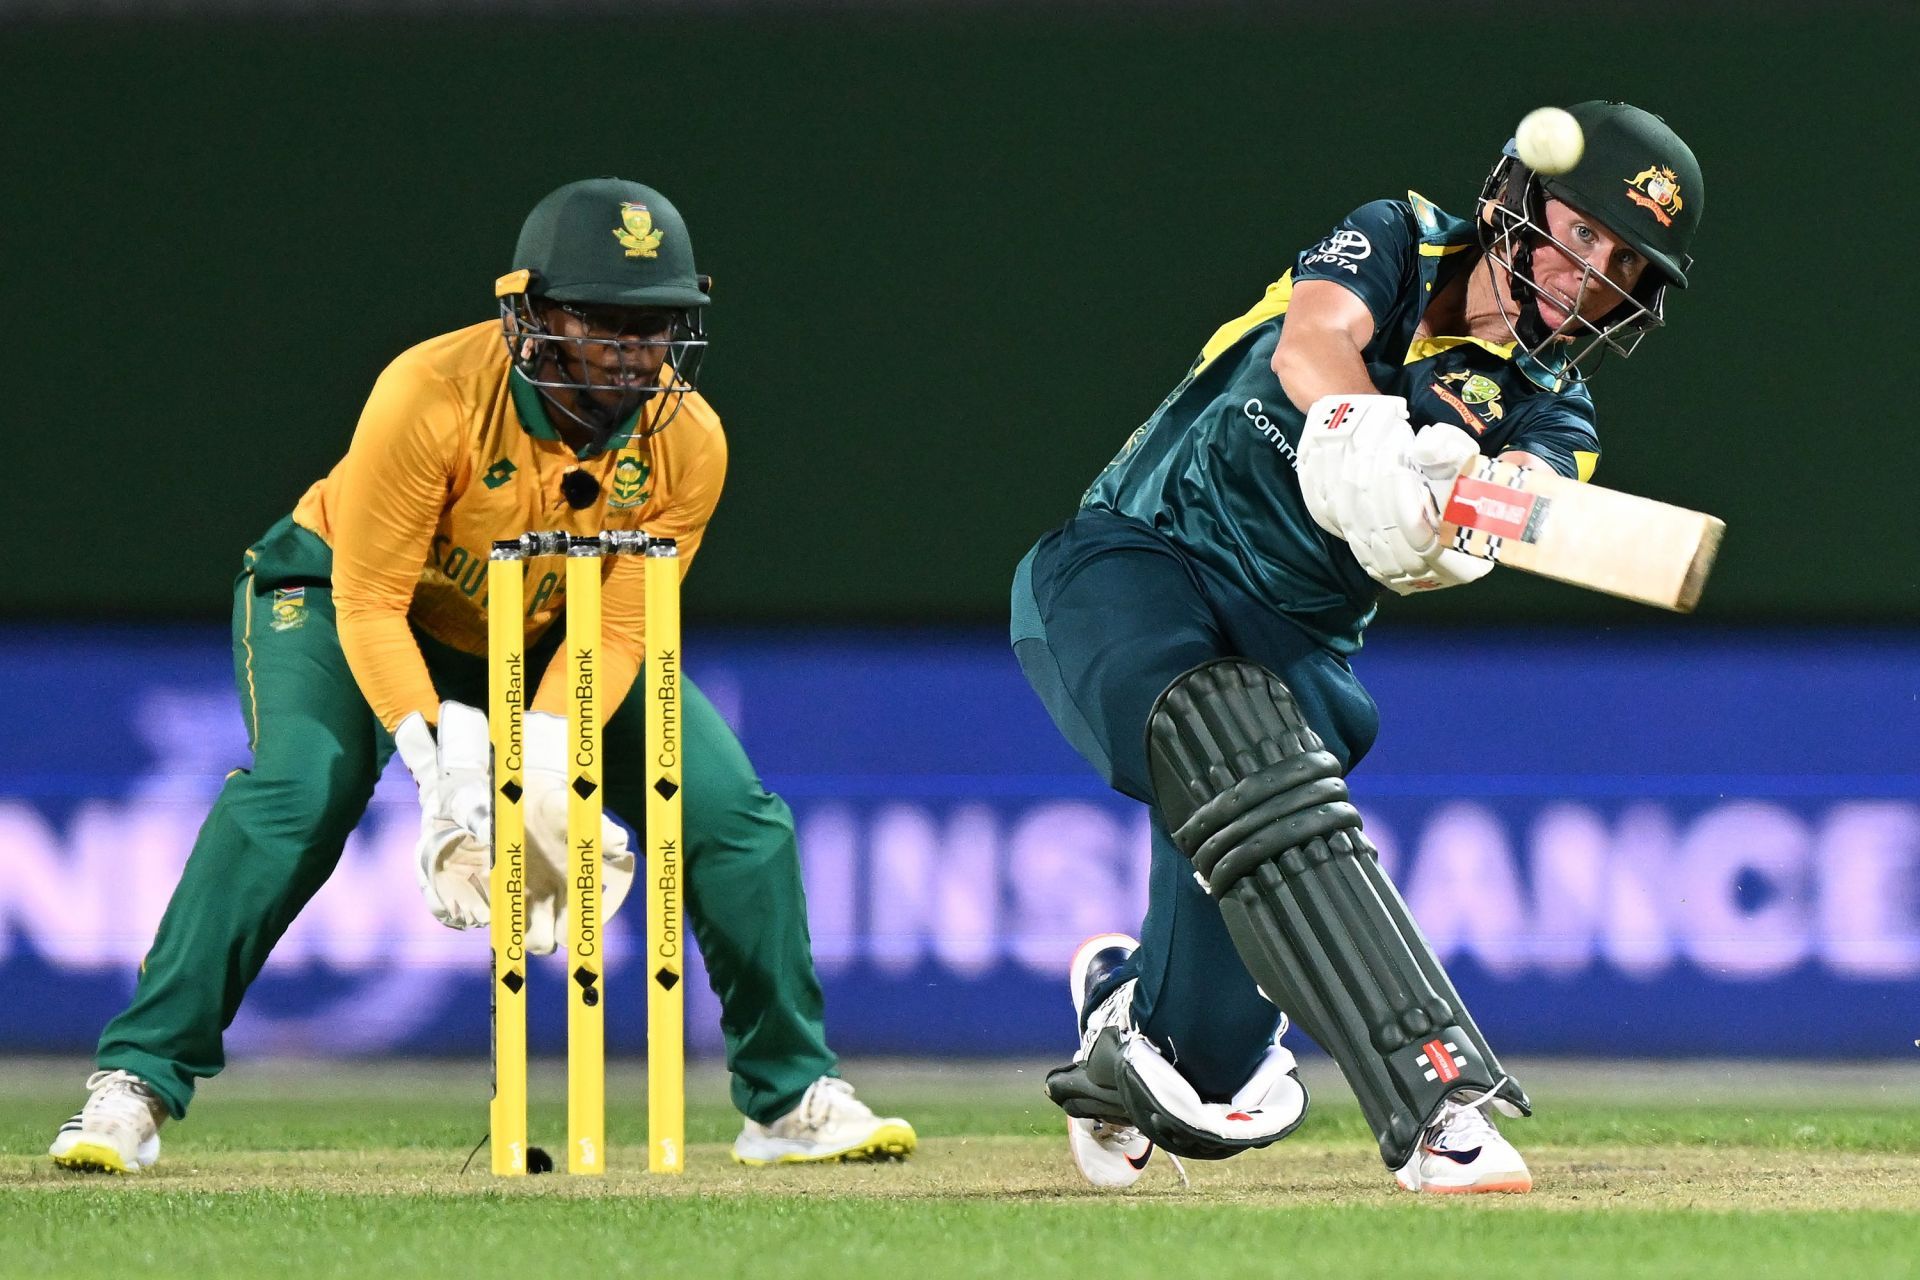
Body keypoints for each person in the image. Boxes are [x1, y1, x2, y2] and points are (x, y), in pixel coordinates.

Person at [51, 177, 915, 1173]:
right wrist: (447, 777)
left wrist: (543, 760)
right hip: (347, 602)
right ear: (534, 316)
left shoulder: (690, 441)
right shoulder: (430, 394)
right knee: (298, 792)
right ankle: (136, 1082)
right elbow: (372, 601)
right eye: (607, 321)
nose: (637, 353)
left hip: (554, 632)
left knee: (732, 817)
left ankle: (788, 1093)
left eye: (657, 324)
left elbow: (626, 626)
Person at [1012, 102, 1702, 1194]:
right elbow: (1315, 338)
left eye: (1623, 267)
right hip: (1130, 561)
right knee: (1233, 727)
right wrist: (1363, 429)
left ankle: (1124, 1019)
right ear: (1519, 204)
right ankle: (1440, 1102)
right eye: (1583, 234)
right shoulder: (1399, 235)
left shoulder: (1557, 420)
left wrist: (1447, 529)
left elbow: (1511, 511)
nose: (1590, 277)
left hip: (1292, 645)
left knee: (1203, 1072)